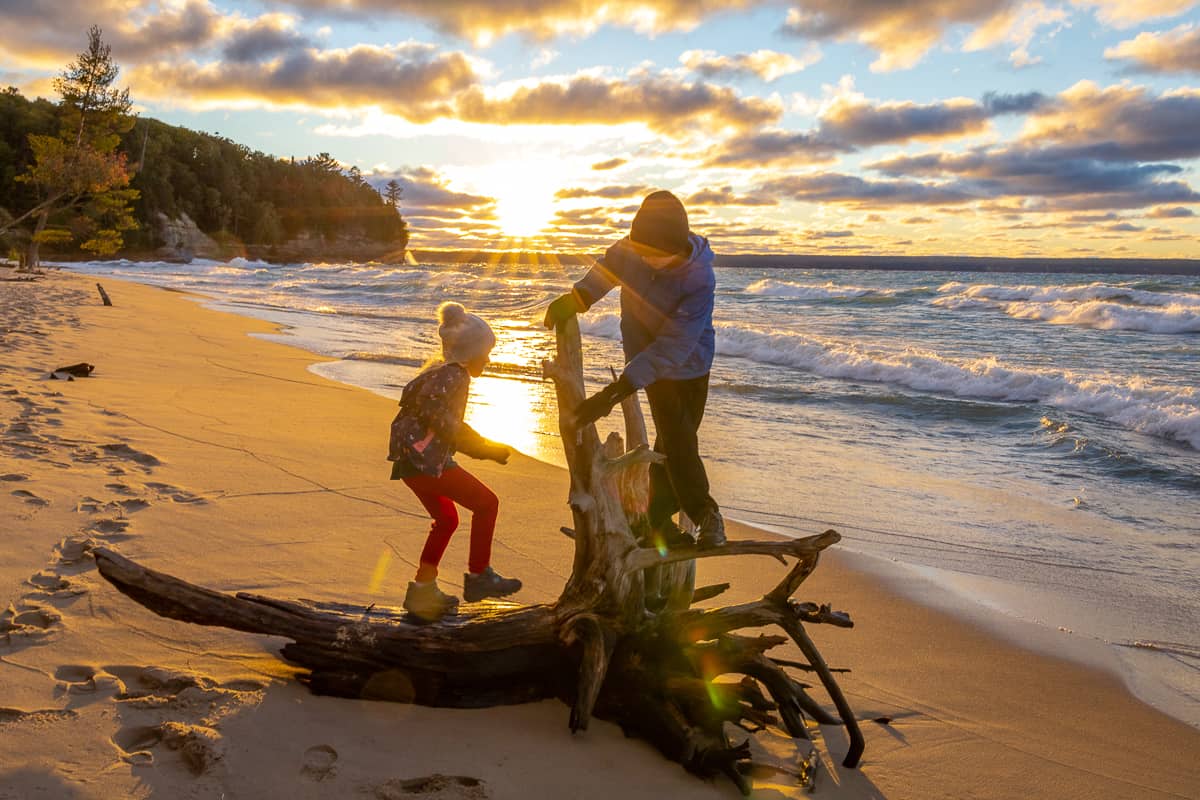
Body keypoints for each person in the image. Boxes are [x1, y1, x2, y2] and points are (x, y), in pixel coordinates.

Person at [543, 190, 725, 549]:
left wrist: (616, 392)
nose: (646, 260)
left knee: (674, 442)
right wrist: (577, 299)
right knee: (675, 439)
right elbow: (606, 271)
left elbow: (674, 345)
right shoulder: (630, 249)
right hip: (647, 358)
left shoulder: (699, 279)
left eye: (655, 256)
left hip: (690, 364)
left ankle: (667, 517)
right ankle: (697, 517)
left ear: (676, 248)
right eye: (641, 251)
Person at [388, 301, 522, 621]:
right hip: (423, 460)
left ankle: (422, 590)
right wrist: (483, 447)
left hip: (412, 462)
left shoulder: (439, 371)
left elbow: (434, 417)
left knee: (447, 520)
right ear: (469, 353)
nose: (487, 360)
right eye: (485, 353)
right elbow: (443, 420)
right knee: (487, 504)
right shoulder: (455, 375)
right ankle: (478, 577)